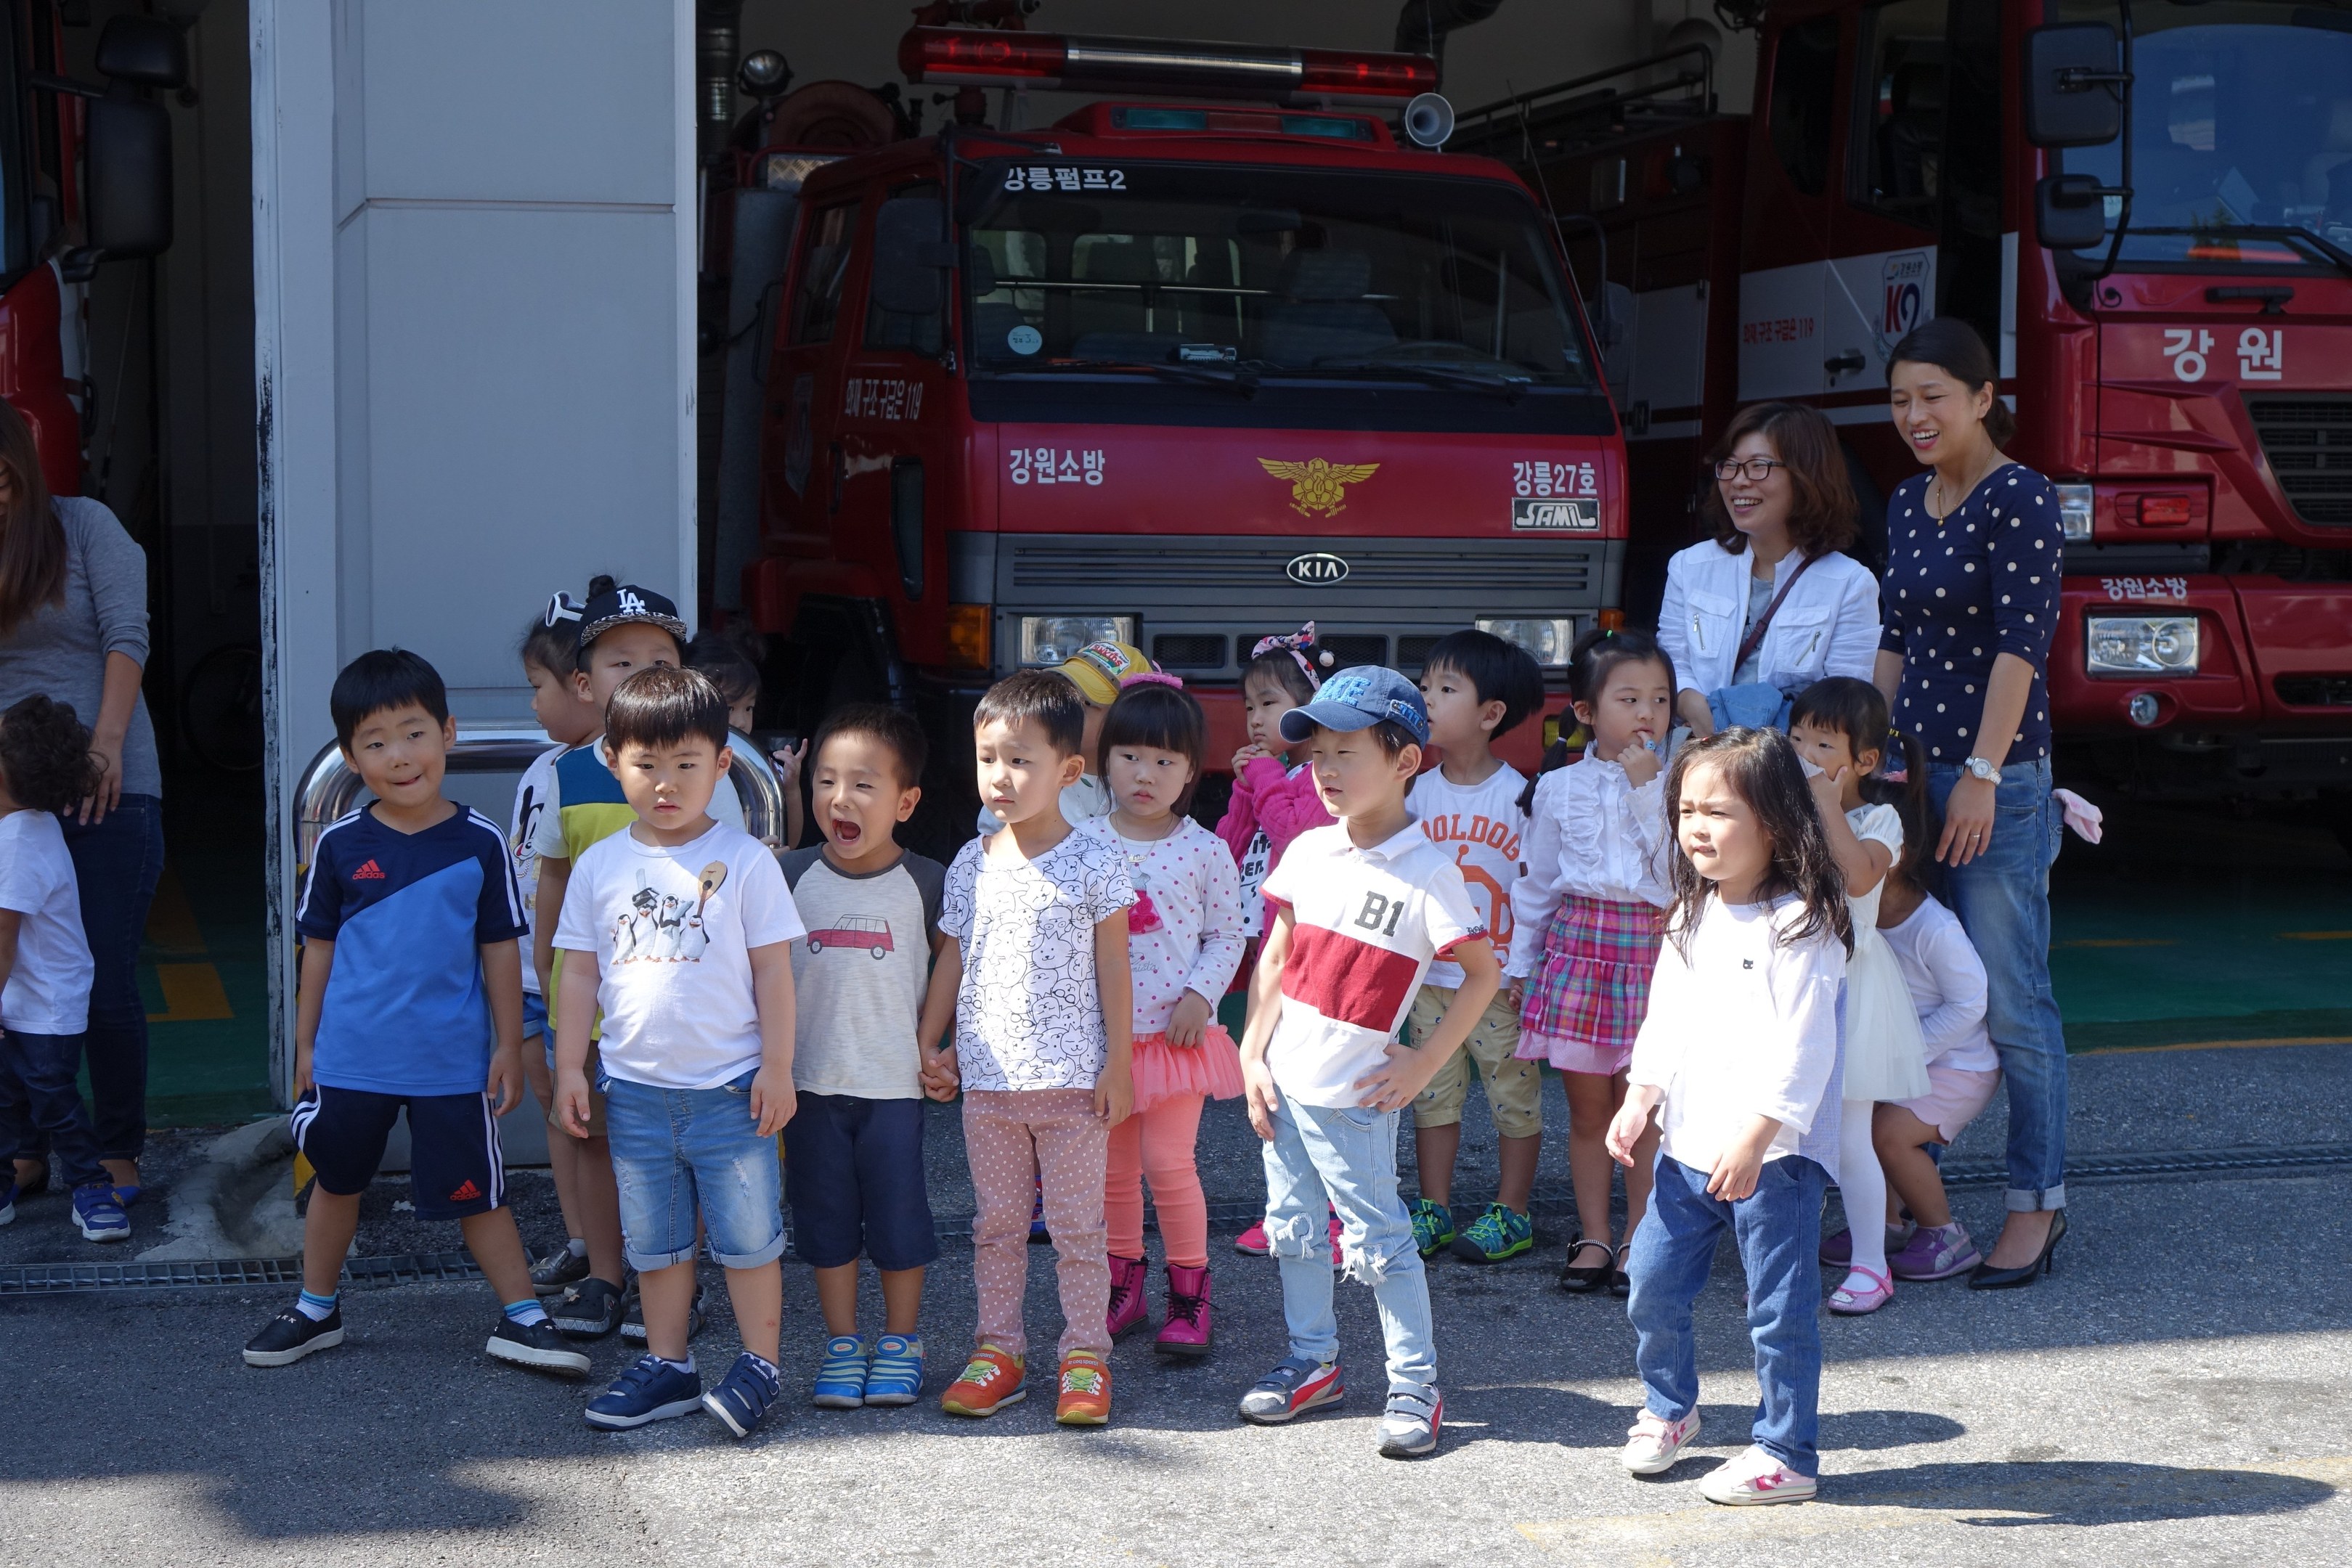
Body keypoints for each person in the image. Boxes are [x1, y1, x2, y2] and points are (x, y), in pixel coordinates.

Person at [243, 650, 587, 1379]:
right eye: (375, 742)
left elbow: (501, 950)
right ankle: (315, 1307)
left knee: (478, 1193)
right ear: (350, 757)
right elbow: (317, 951)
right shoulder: (338, 846)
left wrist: (504, 1042)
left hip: (451, 1062)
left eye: (413, 732)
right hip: (350, 1058)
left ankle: (523, 1314)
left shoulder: (480, 842)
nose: (398, 756)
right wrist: (304, 1045)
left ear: (448, 733)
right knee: (337, 1182)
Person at [1235, 666, 1500, 1460]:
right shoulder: (1310, 850)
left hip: (1356, 1095)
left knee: (1379, 1241)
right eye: (1319, 753)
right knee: (1292, 1230)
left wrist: (1421, 1067)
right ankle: (1311, 1362)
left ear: (1404, 762)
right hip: (1283, 1085)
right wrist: (1253, 1050)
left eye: (1348, 752)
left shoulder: (1428, 872)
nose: (1327, 769)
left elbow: (1481, 973)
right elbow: (1276, 958)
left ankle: (1414, 1384)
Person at [553, 666, 804, 1437]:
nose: (666, 784)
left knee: (749, 1239)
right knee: (655, 1245)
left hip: (730, 1090)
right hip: (632, 1093)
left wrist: (777, 1066)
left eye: (686, 765)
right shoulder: (598, 866)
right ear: (611, 760)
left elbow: (774, 972)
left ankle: (760, 1367)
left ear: (722, 764)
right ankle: (667, 1366)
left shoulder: (748, 861)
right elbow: (579, 973)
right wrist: (569, 1066)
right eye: (646, 765)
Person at [1608, 726, 1848, 1506]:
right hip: (1685, 1148)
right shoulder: (1692, 910)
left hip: (1773, 1162)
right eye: (1685, 810)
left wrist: (1756, 1136)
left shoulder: (1801, 925)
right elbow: (1665, 1015)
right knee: (1649, 1281)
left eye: (1718, 811)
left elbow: (1803, 1048)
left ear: (1775, 821)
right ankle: (1670, 1410)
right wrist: (1640, 1095)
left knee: (1777, 1313)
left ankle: (1786, 1453)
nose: (1696, 828)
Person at [1878, 317, 2068, 1288]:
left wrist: (1986, 776)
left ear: (1982, 399)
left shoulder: (2021, 500)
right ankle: (1919, 1203)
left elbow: (2017, 649)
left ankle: (2035, 1206)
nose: (1913, 416)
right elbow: (1894, 640)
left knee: (2009, 1003)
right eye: (1901, 398)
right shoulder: (1907, 503)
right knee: (1907, 985)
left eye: (1932, 398)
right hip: (1909, 777)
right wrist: (1869, 760)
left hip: (1992, 779)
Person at [921, 669, 1136, 1426]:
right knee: (997, 1227)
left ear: (1069, 771)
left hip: (1075, 1085)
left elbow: (1115, 963)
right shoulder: (971, 862)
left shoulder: (1096, 859)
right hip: (988, 1086)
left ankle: (1084, 1356)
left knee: (1080, 1232)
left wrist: (1119, 1064)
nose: (1000, 777)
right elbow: (952, 954)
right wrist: (931, 1041)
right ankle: (999, 1350)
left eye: (1019, 760)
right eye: (988, 758)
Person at [530, 582, 739, 1340]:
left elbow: (734, 890)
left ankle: (679, 1277)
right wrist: (550, 986)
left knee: (681, 1138)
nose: (642, 671)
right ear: (585, 683)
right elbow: (553, 890)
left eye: (661, 657)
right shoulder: (569, 776)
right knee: (592, 1132)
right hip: (588, 992)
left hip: (682, 1000)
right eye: (621, 661)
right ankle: (605, 1276)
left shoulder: (716, 771)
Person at [0, 401, 163, 1206]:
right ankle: (26, 1147)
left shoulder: (86, 526)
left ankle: (116, 1148)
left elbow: (127, 635)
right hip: (8, 798)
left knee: (100, 979)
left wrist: (105, 740)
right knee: (16, 982)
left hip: (110, 785)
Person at [781, 704, 946, 1409]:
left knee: (898, 1222)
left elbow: (957, 969)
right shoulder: (786, 877)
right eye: (824, 782)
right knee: (824, 1223)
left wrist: (941, 1049)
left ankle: (901, 1342)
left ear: (905, 802)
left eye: (862, 785)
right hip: (807, 1088)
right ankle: (843, 1344)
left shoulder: (929, 882)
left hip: (892, 1090)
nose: (838, 800)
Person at [1508, 629, 1677, 1296]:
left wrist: (1647, 791)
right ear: (1584, 713)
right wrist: (1521, 967)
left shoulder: (1677, 784)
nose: (1647, 713)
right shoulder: (1555, 788)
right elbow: (1538, 883)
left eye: (1659, 700)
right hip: (1579, 951)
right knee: (1587, 1111)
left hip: (1653, 952)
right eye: (1629, 698)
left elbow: (1673, 880)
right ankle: (1593, 1232)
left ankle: (1642, 1229)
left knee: (1645, 1107)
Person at [1087, 677, 1246, 1356]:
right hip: (1104, 1042)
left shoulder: (1204, 848)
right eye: (1129, 756)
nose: (1144, 774)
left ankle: (1191, 1293)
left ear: (1189, 771)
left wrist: (1200, 996)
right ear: (1104, 762)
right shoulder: (1083, 842)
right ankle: (1122, 1286)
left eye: (1164, 762)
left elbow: (1227, 934)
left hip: (1176, 1040)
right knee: (1114, 1172)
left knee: (1168, 1164)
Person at [1403, 629, 1546, 1265]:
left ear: (1490, 714)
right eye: (1425, 685)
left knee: (1512, 1094)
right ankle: (1431, 1207)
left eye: (1445, 688)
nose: (1426, 698)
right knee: (1428, 1089)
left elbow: (1537, 890)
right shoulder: (1412, 792)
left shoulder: (1522, 798)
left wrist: (1527, 968)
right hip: (1429, 975)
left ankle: (1511, 1211)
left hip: (1500, 978)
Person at [1788, 677, 1930, 1315]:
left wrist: (1820, 805)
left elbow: (1856, 874)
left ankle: (1871, 1264)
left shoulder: (1880, 819)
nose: (1802, 753)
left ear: (1863, 761)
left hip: (1851, 985)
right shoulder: (1778, 806)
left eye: (1821, 743)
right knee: (1781, 1137)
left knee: (1849, 1137)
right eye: (1795, 739)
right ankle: (1781, 1267)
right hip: (1786, 985)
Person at [1217, 624, 1338, 1261]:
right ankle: (1289, 1213)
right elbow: (1226, 850)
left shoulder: (1320, 778)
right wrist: (1244, 787)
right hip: (1267, 956)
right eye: (1249, 706)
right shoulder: (1271, 775)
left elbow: (1293, 841)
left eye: (1269, 703)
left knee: (1308, 1091)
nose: (1255, 717)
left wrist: (1262, 778)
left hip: (1309, 964)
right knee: (1273, 1093)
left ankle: (1332, 1216)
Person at [1660, 401, 1881, 739]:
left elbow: (1845, 701)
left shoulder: (1850, 584)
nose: (1739, 482)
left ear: (1808, 475)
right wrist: (1703, 715)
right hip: (1700, 758)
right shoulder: (1688, 567)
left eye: (1758, 467)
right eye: (1730, 466)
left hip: (1793, 771)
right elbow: (1671, 664)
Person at [513, 587, 606, 1297]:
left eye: (539, 686)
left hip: (590, 980)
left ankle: (620, 1251)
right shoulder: (546, 769)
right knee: (561, 1110)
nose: (535, 704)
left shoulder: (612, 775)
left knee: (598, 1124)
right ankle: (582, 1240)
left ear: (583, 686)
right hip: (535, 974)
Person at [0, 695, 111, 1239]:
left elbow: (2, 938)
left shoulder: (21, 844)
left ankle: (91, 1187)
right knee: (6, 1098)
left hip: (45, 1007)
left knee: (53, 1102)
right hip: (21, 1001)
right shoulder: (24, 827)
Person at [1871, 833, 1999, 1283]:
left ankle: (1946, 1235)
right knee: (1861, 1127)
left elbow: (1970, 1002)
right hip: (1911, 1060)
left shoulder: (1933, 927)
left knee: (1887, 1135)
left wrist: (1910, 1053)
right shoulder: (1864, 914)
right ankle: (1881, 1227)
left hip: (1961, 1065)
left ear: (1893, 857)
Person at [971, 640, 1149, 834]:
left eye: (1083, 702)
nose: (1065, 709)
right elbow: (991, 839)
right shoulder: (1034, 772)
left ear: (1127, 717)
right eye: (1062, 697)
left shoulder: (1143, 784)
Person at [686, 623, 806, 852]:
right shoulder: (685, 767)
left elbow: (792, 840)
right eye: (730, 708)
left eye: (748, 708)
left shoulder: (760, 764)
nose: (741, 721)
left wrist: (791, 789)